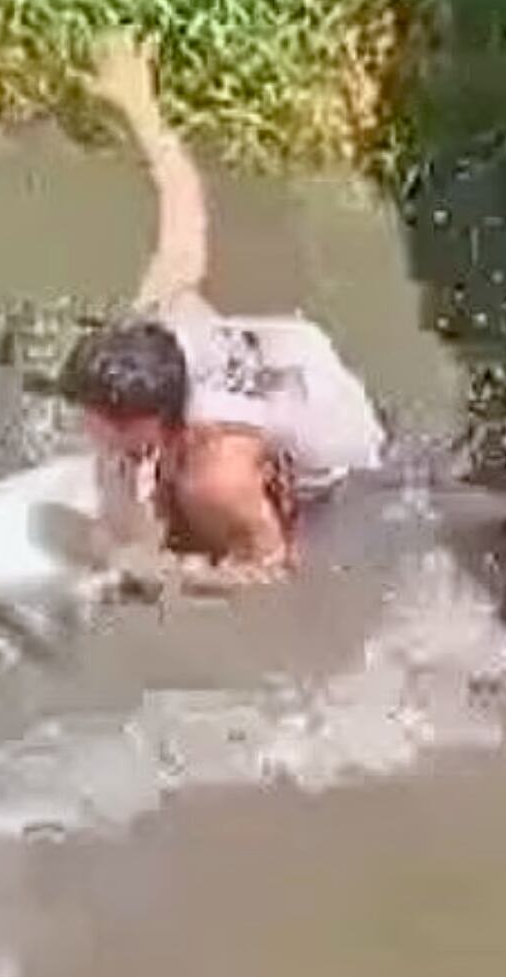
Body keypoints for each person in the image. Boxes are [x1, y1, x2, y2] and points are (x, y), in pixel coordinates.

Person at [56, 33, 387, 590]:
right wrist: (138, 104)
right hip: (292, 362)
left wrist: (163, 572)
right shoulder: (162, 314)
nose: (84, 426)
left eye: (99, 421)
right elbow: (182, 207)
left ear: (148, 423)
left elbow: (270, 569)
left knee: (189, 523)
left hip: (342, 459)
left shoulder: (216, 477)